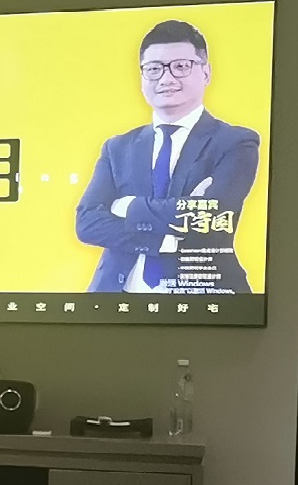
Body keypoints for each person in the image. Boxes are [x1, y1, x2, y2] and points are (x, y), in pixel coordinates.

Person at [74, 17, 260, 293]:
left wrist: (127, 207)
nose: (166, 78)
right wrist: (164, 240)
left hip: (204, 296)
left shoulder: (235, 142)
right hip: (115, 299)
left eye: (181, 66)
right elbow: (87, 222)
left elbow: (212, 217)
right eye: (154, 69)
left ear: (206, 73)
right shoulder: (118, 147)